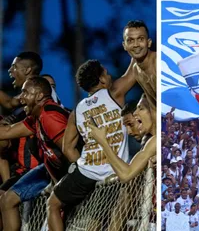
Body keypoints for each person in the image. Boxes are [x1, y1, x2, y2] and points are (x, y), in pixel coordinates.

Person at [47, 59, 136, 231]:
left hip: (86, 171)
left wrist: (84, 164)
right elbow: (134, 68)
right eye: (107, 73)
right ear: (102, 80)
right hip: (113, 172)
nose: (109, 76)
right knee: (100, 220)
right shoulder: (114, 93)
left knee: (53, 204)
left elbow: (67, 148)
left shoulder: (78, 110)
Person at [0, 77, 69, 231]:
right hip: (49, 169)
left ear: (39, 96)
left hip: (66, 172)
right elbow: (7, 131)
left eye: (25, 92)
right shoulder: (35, 118)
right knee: (7, 200)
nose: (21, 97)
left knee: (54, 207)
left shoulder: (50, 115)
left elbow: (69, 151)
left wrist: (64, 183)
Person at [88, 93, 156, 183]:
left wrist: (103, 142)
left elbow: (126, 175)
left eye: (141, 108)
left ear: (154, 111)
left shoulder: (157, 140)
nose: (136, 112)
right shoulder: (152, 142)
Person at [122, 20, 156, 122]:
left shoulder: (158, 63)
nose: (136, 45)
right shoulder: (136, 70)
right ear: (124, 45)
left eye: (140, 39)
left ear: (149, 42)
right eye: (130, 40)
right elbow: (154, 107)